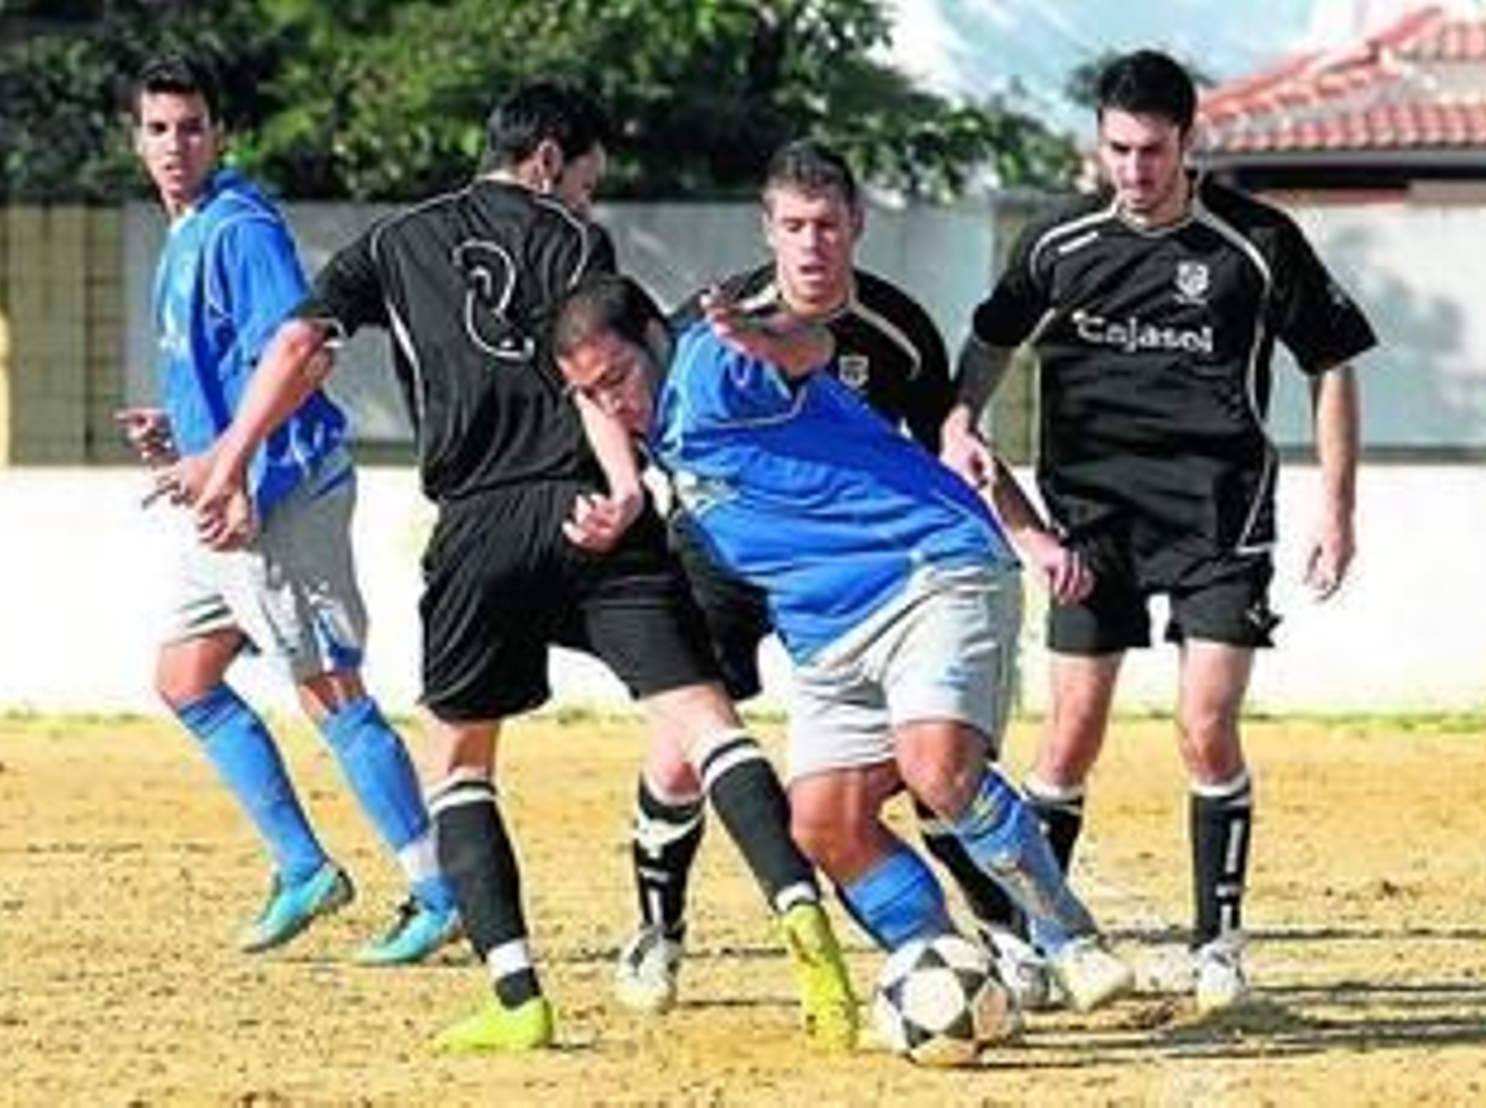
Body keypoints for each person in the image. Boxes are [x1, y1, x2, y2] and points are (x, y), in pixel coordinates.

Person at [181, 78, 858, 1055]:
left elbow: (296, 343)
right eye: (587, 179)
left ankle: (516, 996)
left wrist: (229, 459)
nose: (587, 199)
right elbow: (591, 375)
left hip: (477, 526)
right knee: (709, 726)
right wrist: (626, 493)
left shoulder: (391, 241)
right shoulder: (575, 243)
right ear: (547, 162)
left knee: (461, 764)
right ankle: (802, 919)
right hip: (589, 512)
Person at [554, 273, 1136, 1018]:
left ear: (655, 340)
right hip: (824, 627)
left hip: (924, 569)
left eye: (618, 379)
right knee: (825, 826)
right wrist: (625, 487)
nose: (611, 403)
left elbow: (811, 345)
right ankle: (947, 977)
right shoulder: (644, 403)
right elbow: (599, 395)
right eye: (592, 392)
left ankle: (1068, 939)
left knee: (936, 767)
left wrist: (765, 339)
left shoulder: (712, 363)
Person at [939, 49, 1375, 1012]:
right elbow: (993, 335)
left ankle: (1218, 944)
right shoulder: (1059, 241)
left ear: (1187, 142)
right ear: (1099, 144)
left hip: (1220, 517)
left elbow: (1332, 362)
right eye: (1117, 150)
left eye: (1151, 150)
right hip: (1091, 522)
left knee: (1205, 727)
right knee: (1068, 740)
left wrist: (1338, 508)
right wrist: (962, 416)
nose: (1133, 170)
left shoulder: (1255, 241)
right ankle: (1039, 942)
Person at [117, 53, 459, 965]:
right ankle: (305, 869)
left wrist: (232, 470)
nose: (175, 145)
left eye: (193, 127)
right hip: (225, 490)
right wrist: (186, 438)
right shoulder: (186, 232)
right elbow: (241, 370)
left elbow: (306, 356)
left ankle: (438, 891)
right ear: (136, 139)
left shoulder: (239, 229)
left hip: (277, 493)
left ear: (221, 134)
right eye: (158, 128)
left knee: (329, 688)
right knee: (186, 678)